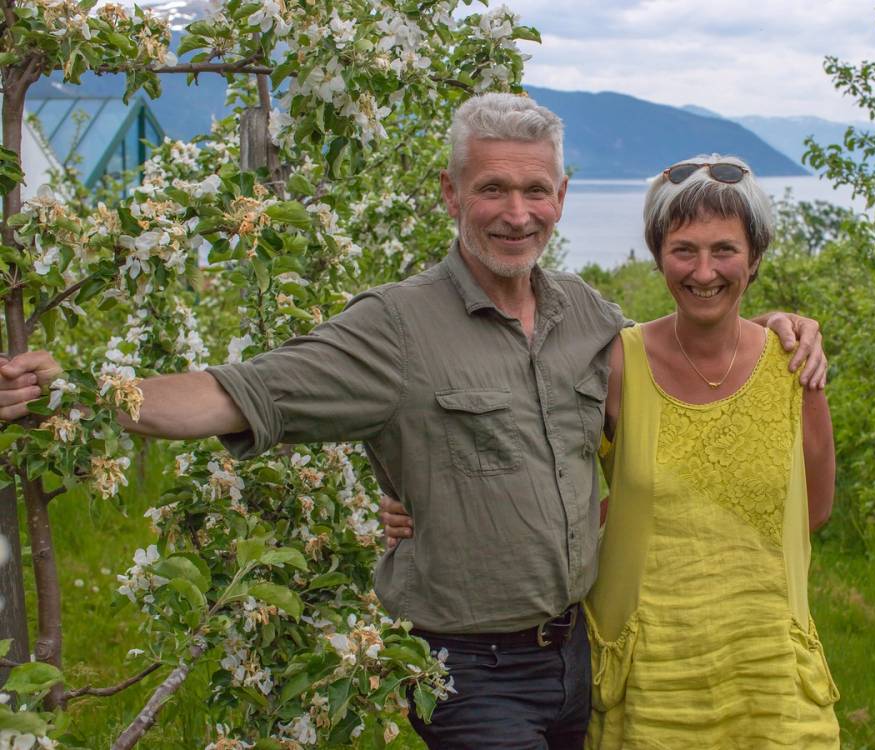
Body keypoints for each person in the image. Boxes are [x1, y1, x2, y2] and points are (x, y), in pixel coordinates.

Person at [0, 95, 826, 750]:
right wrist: (83, 391)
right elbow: (239, 392)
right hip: (468, 665)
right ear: (450, 193)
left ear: (562, 198)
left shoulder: (587, 317)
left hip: (580, 654)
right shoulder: (394, 326)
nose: (516, 212)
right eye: (492, 188)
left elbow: (648, 447)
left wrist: (786, 328)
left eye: (535, 189)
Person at [584, 155, 840, 748]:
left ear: (754, 259)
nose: (704, 271)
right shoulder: (617, 365)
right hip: (651, 682)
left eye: (724, 250)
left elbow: (816, 510)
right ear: (657, 256)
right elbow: (544, 476)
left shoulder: (793, 364)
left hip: (770, 677)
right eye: (684, 250)